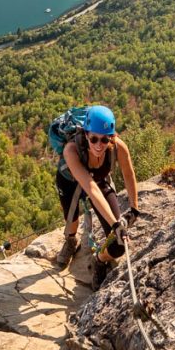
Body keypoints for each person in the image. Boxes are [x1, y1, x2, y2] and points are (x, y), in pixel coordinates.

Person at [55, 104, 140, 288]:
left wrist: (134, 209)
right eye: (94, 139)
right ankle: (71, 241)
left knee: (118, 243)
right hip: (69, 181)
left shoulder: (118, 147)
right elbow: (90, 189)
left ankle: (99, 260)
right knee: (72, 221)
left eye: (104, 139)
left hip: (99, 182)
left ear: (112, 136)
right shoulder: (71, 150)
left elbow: (128, 173)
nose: (99, 145)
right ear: (86, 134)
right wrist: (116, 224)